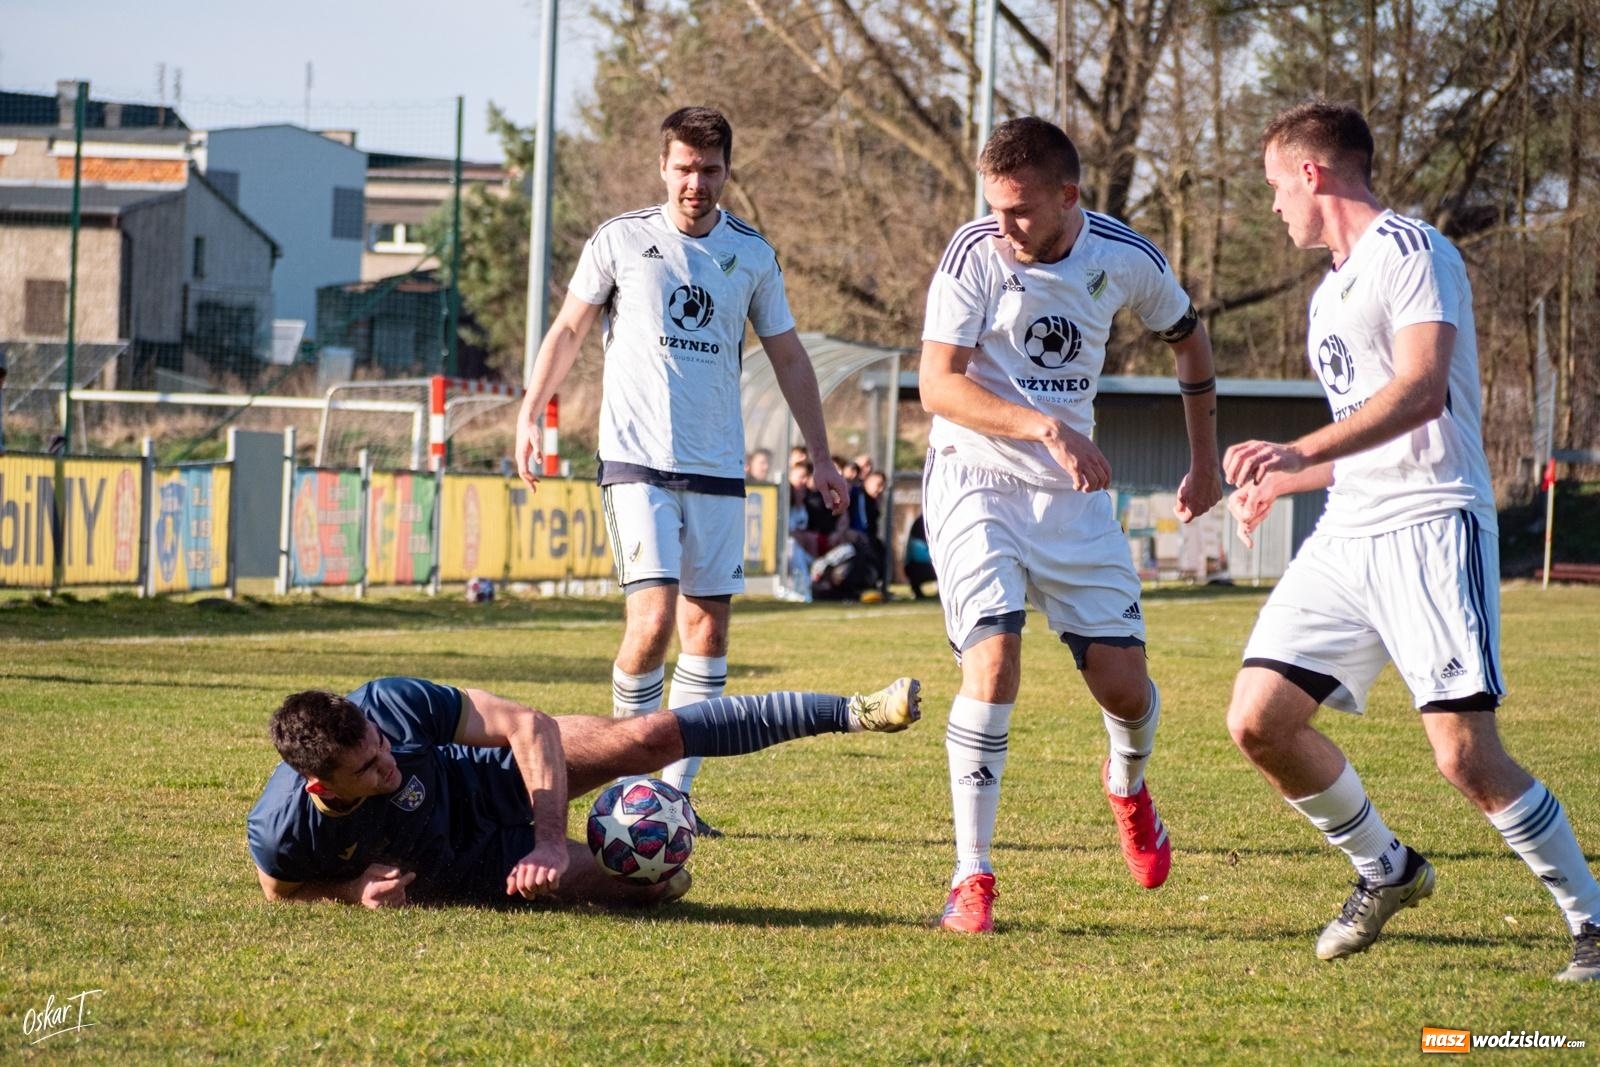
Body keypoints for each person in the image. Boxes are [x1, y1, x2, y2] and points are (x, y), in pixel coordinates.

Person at [1223, 101, 1599, 982]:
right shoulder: (1326, 295)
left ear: (1312, 174)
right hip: (1349, 530)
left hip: (1432, 524)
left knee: (1464, 754)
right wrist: (1288, 477)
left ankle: (1592, 918)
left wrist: (1298, 445)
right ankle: (1386, 866)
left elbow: (1422, 392)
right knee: (1258, 719)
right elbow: (1368, 433)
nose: (1274, 204)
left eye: (1277, 185)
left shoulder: (1414, 251)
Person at [918, 117, 1222, 933]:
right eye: (993, 205)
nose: (1002, 223)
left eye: (1019, 209)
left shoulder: (1125, 257)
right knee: (993, 662)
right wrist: (1046, 426)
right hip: (975, 479)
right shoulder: (974, 253)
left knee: (1124, 689)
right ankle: (971, 876)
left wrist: (1205, 460)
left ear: (1067, 196)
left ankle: (1127, 786)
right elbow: (938, 386)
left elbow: (1190, 345)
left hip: (1070, 499)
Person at [513, 107, 849, 831]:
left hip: (717, 466)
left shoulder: (752, 255)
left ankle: (674, 795)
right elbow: (570, 328)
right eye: (684, 168)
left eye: (710, 169)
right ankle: (622, 784)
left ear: (728, 172)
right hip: (637, 459)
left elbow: (789, 356)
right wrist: (529, 412)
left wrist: (820, 454)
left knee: (709, 630)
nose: (696, 182)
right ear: (663, 167)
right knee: (654, 617)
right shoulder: (621, 240)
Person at [248, 675, 921, 909]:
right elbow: (278, 888)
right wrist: (350, 892)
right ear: (320, 784)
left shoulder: (387, 705)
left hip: (490, 778)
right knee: (649, 887)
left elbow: (526, 724)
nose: (387, 763)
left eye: (382, 746)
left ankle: (854, 710)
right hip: (480, 868)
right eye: (365, 770)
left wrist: (548, 835)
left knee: (649, 737)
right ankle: (654, 877)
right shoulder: (282, 829)